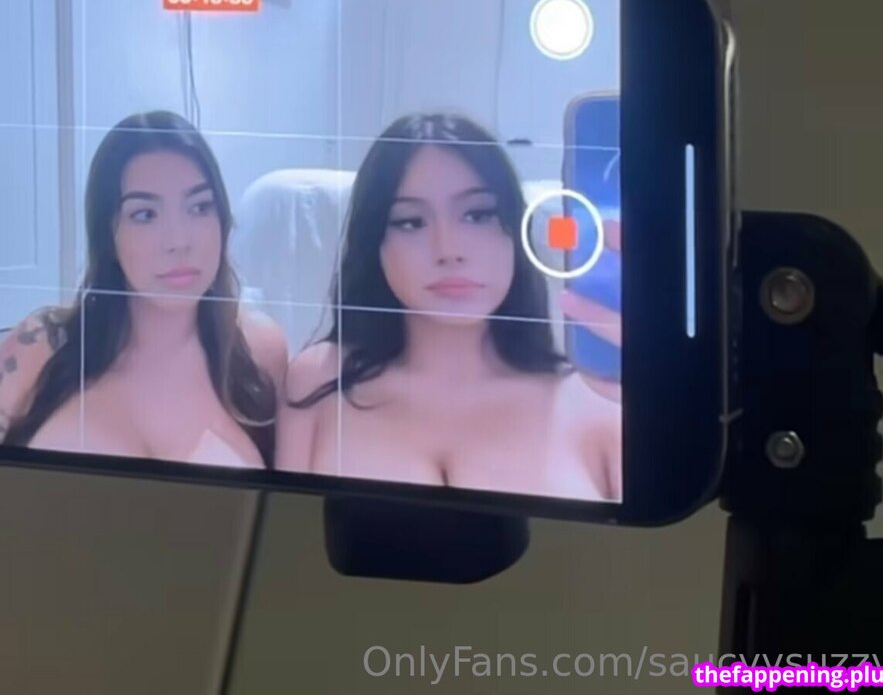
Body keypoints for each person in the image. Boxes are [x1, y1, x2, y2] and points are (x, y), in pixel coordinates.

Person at [276, 112, 622, 501]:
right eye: (411, 222)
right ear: (375, 244)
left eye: (478, 215)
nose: (449, 250)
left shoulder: (597, 404)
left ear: (515, 231)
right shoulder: (319, 381)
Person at [0, 110, 287, 468]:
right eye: (145, 215)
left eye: (199, 207)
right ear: (109, 234)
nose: (179, 241)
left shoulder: (261, 350)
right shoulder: (43, 345)